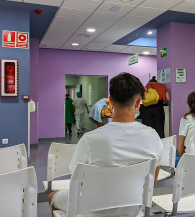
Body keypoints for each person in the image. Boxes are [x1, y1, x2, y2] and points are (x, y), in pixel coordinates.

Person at [49, 73, 163, 216]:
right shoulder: (153, 136)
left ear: (110, 101)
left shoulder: (89, 140)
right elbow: (151, 183)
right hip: (132, 209)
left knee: (52, 196)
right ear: (138, 102)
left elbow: (79, 182)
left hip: (93, 209)